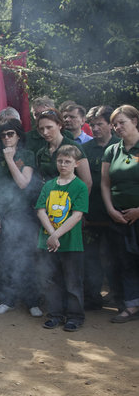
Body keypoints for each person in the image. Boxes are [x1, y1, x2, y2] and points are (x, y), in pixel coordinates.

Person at [0, 119, 42, 317]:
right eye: (3, 135)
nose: (6, 138)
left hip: (24, 214)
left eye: (10, 134)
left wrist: (10, 160)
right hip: (1, 213)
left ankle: (32, 301)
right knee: (5, 258)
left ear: (19, 135)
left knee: (26, 257)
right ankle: (7, 299)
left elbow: (23, 183)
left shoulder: (27, 155)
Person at [35, 145, 88, 332]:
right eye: (60, 161)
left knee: (73, 282)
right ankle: (55, 314)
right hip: (48, 242)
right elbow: (41, 210)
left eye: (68, 161)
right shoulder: (49, 185)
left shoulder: (80, 186)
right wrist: (51, 234)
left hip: (70, 243)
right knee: (51, 280)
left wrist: (56, 235)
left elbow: (77, 215)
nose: (63, 165)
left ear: (76, 164)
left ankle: (75, 316)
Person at [101, 105, 139, 323]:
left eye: (121, 122)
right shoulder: (112, 150)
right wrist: (110, 209)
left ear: (135, 120)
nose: (117, 127)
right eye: (114, 124)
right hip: (119, 217)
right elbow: (105, 184)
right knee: (124, 262)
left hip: (138, 214)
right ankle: (132, 306)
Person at [81, 106, 122, 310]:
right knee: (92, 257)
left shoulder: (120, 147)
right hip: (91, 214)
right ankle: (93, 297)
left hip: (117, 214)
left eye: (100, 124)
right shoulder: (85, 150)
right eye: (92, 124)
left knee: (115, 257)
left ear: (110, 125)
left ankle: (118, 296)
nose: (95, 128)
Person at [35, 109, 92, 192]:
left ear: (59, 125)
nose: (45, 132)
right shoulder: (41, 153)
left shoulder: (74, 147)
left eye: (49, 127)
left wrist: (78, 203)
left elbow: (87, 182)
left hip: (71, 199)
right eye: (41, 129)